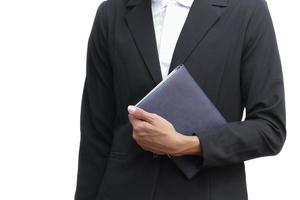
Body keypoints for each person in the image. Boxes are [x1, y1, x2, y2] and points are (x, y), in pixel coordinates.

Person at [74, 0, 286, 199]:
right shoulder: (111, 13)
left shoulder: (247, 10)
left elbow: (270, 128)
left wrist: (188, 145)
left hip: (207, 192)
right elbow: (95, 138)